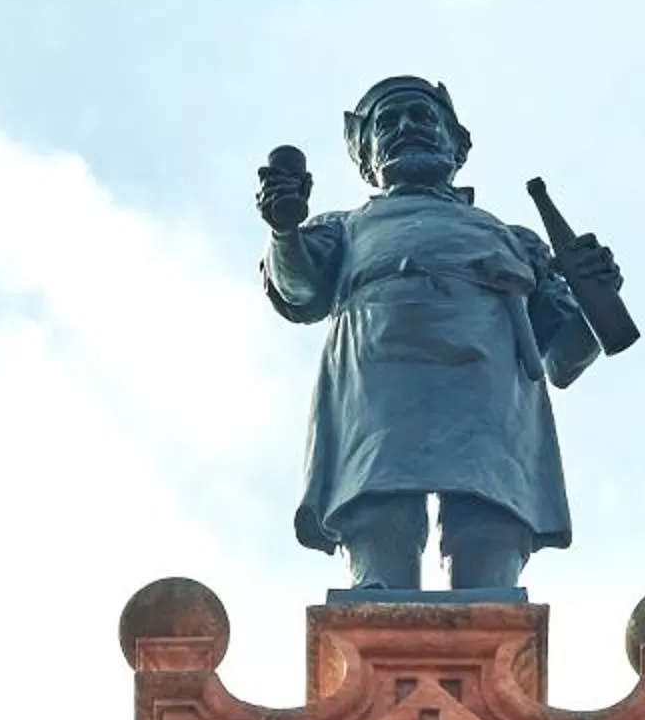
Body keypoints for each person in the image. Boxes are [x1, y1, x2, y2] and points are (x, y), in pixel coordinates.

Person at [258, 77, 624, 591]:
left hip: (488, 388)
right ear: (367, 159)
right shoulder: (347, 227)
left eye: (423, 118)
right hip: (378, 379)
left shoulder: (516, 241)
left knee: (488, 517)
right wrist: (284, 231)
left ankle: (490, 623)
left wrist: (594, 299)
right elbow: (299, 292)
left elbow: (564, 355)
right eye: (388, 123)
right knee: (378, 505)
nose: (408, 129)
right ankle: (375, 617)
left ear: (458, 145)